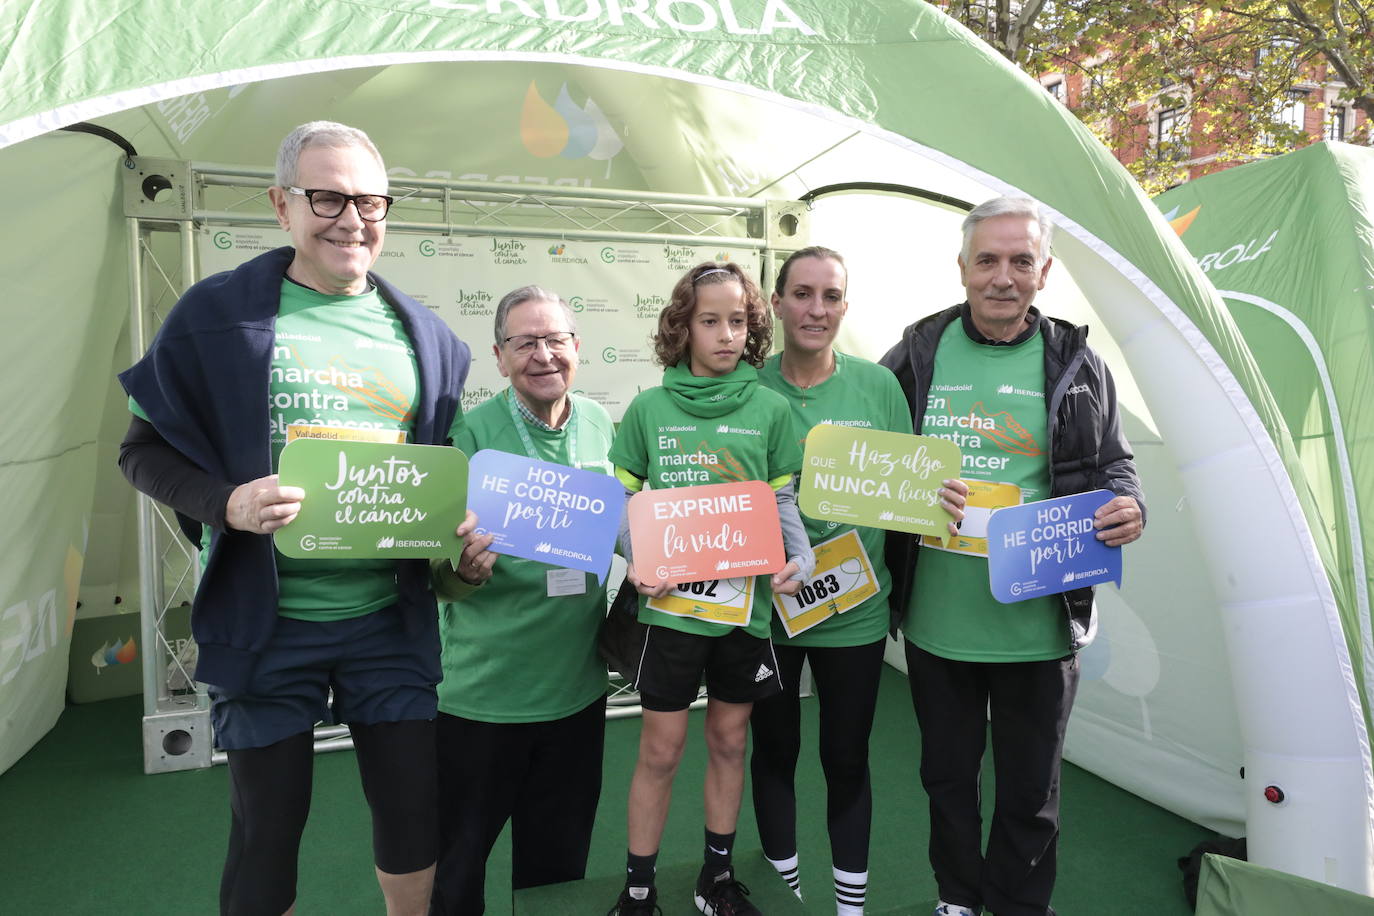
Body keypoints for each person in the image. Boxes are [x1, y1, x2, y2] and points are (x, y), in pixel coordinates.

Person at [118, 121, 473, 916]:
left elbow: (431, 487)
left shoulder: (431, 339)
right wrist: (227, 504)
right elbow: (139, 451)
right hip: (268, 625)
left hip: (388, 623)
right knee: (267, 830)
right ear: (283, 206)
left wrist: (458, 547)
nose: (352, 218)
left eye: (371, 200)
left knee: (415, 816)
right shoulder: (217, 317)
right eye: (328, 197)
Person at [878, 197, 1145, 916]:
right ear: (962, 267)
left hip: (1040, 623)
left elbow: (1115, 467)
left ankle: (1019, 906)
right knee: (948, 780)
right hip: (940, 623)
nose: (1003, 277)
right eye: (988, 260)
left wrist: (1128, 506)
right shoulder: (918, 352)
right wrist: (907, 486)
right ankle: (958, 898)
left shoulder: (1079, 362)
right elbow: (870, 457)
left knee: (1032, 791)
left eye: (1020, 261)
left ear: (1044, 270)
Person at [751, 247, 965, 916]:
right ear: (778, 301)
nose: (817, 310)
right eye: (804, 294)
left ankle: (850, 907)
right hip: (770, 610)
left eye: (832, 296)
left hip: (855, 611)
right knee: (774, 749)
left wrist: (944, 498)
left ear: (845, 305)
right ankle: (784, 893)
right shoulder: (746, 386)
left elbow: (909, 496)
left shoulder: (877, 386)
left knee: (846, 759)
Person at [607, 262, 817, 916]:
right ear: (683, 327)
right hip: (670, 616)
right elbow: (621, 500)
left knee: (729, 741)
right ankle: (639, 891)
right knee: (661, 751)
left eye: (738, 321)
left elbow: (781, 500)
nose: (726, 334)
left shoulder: (772, 410)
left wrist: (803, 554)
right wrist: (634, 555)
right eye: (709, 321)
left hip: (743, 616)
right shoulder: (648, 409)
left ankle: (715, 881)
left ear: (753, 327)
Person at [428, 287, 614, 914]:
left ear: (576, 348)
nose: (543, 355)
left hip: (577, 694)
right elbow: (436, 572)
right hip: (482, 700)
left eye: (555, 339)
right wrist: (466, 573)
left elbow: (612, 526)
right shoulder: (468, 435)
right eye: (524, 342)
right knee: (457, 870)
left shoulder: (598, 423)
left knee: (558, 874)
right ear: (499, 357)